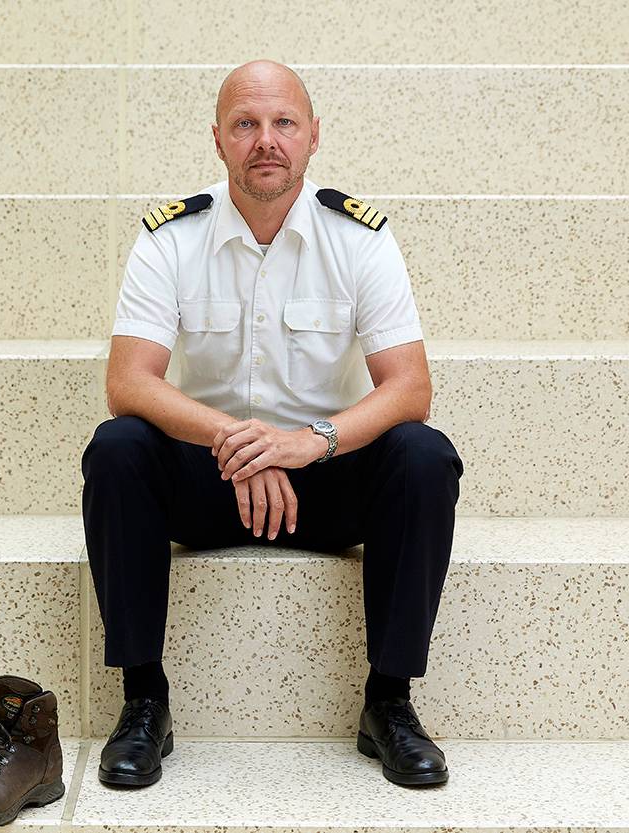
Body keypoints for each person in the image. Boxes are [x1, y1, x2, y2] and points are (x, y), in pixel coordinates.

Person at [81, 59, 464, 789]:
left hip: (324, 480)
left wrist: (303, 443)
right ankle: (143, 701)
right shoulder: (171, 237)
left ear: (313, 135)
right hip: (211, 479)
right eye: (246, 124)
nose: (266, 140)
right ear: (218, 140)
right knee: (119, 446)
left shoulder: (359, 238)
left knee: (423, 454)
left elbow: (410, 388)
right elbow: (128, 381)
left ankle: (388, 701)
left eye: (283, 122)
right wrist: (238, 441)